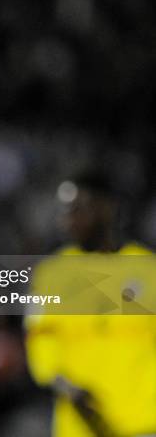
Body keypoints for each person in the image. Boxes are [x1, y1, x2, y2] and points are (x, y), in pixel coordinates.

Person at [24, 170, 156, 437]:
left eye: (78, 208)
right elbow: (40, 343)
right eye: (64, 211)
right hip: (79, 428)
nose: (67, 219)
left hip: (143, 422)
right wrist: (65, 387)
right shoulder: (50, 275)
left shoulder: (147, 268)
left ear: (107, 207)